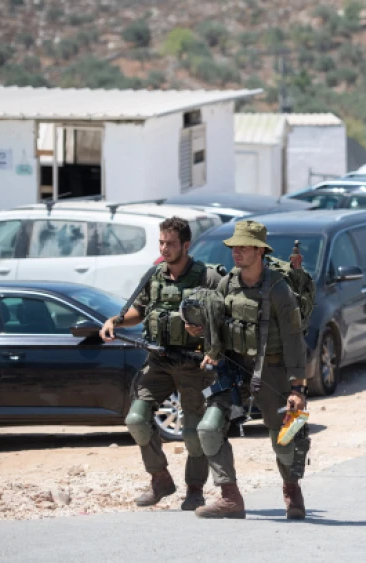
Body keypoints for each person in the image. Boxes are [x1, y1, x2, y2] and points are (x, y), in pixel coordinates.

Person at [99, 217, 222, 511]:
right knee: (136, 420)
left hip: (193, 362)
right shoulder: (154, 275)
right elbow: (139, 311)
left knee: (192, 432)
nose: (165, 249)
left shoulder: (208, 277)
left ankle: (195, 489)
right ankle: (160, 479)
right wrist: (114, 321)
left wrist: (205, 330)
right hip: (159, 360)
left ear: (186, 245)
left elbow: (225, 317)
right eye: (161, 243)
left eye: (171, 244)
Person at [194, 220, 310, 520]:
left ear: (260, 251)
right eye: (234, 247)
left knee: (286, 438)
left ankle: (292, 490)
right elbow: (216, 322)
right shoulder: (227, 283)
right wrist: (201, 335)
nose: (236, 252)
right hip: (235, 370)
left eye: (244, 247)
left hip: (274, 370)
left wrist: (299, 388)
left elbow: (294, 339)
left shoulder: (279, 289)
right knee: (208, 428)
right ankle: (230, 497)